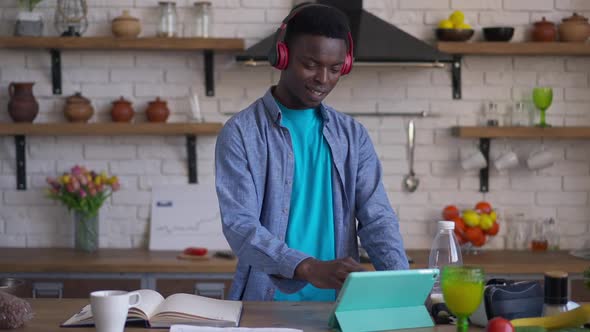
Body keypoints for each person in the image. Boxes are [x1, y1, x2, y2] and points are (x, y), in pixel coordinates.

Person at [215, 3, 408, 301]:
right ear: (282, 56)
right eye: (311, 64)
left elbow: (377, 219)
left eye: (334, 69)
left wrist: (402, 287)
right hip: (265, 306)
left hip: (339, 307)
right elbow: (240, 226)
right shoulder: (241, 132)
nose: (323, 79)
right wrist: (307, 267)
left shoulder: (353, 136)